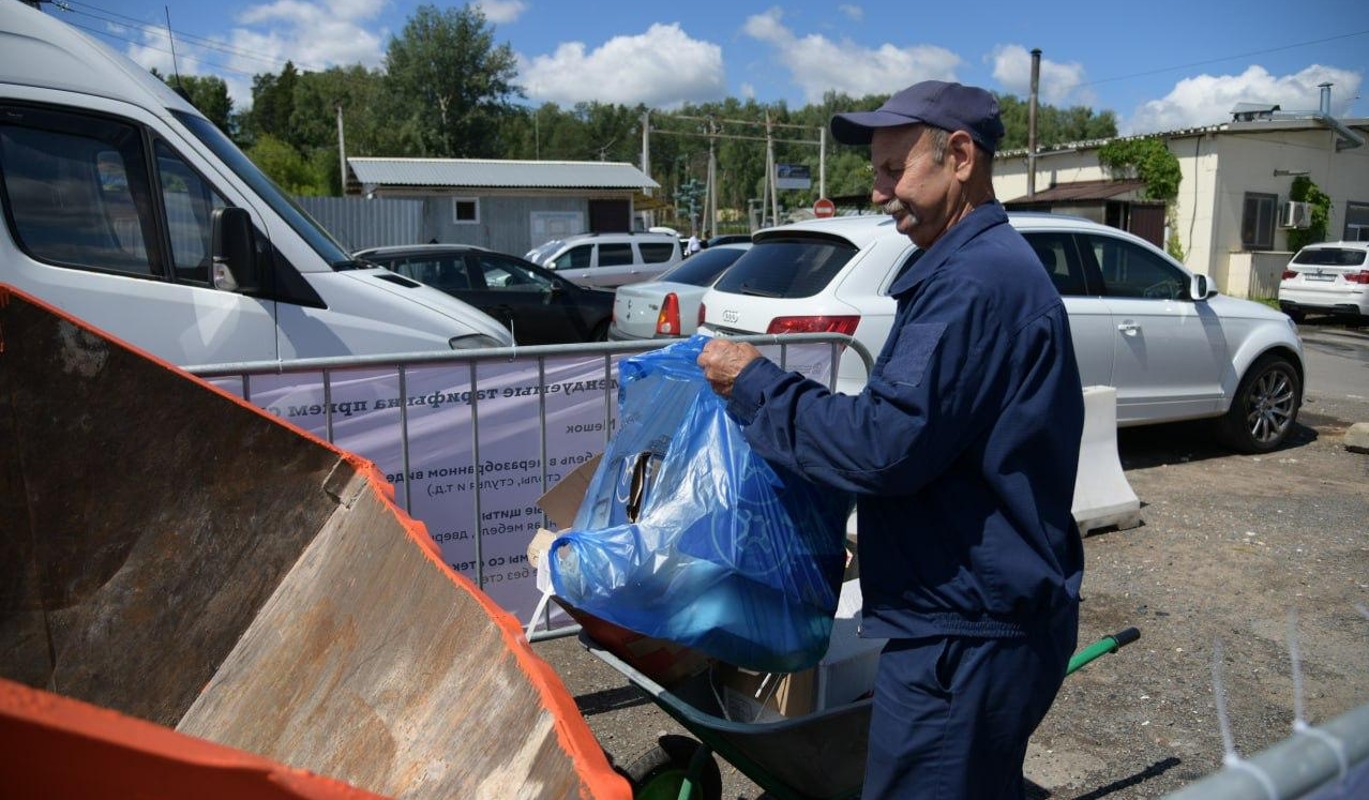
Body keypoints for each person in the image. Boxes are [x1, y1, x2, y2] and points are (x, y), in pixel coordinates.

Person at [696, 80, 1085, 799]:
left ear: (959, 155)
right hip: (970, 611)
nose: (877, 193)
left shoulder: (973, 282)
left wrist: (754, 383)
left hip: (965, 631)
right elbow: (934, 441)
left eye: (891, 169)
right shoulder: (967, 267)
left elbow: (884, 446)